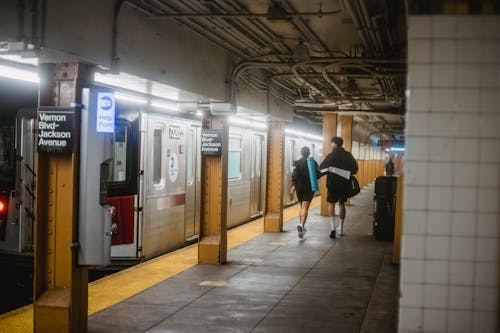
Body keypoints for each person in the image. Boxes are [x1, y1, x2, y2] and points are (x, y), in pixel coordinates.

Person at [319, 136, 358, 238]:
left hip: (332, 184)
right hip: (344, 184)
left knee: (331, 204)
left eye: (332, 143)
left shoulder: (330, 156)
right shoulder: (348, 155)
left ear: (335, 144)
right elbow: (355, 169)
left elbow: (321, 170)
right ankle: (340, 228)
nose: (331, 145)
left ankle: (332, 228)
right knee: (341, 204)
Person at [290, 146, 320, 238]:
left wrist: (293, 186)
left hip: (299, 187)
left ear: (301, 153)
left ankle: (301, 229)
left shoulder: (298, 163)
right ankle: (301, 225)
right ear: (309, 153)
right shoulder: (313, 162)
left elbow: (294, 175)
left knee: (302, 207)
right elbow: (318, 173)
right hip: (309, 186)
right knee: (305, 207)